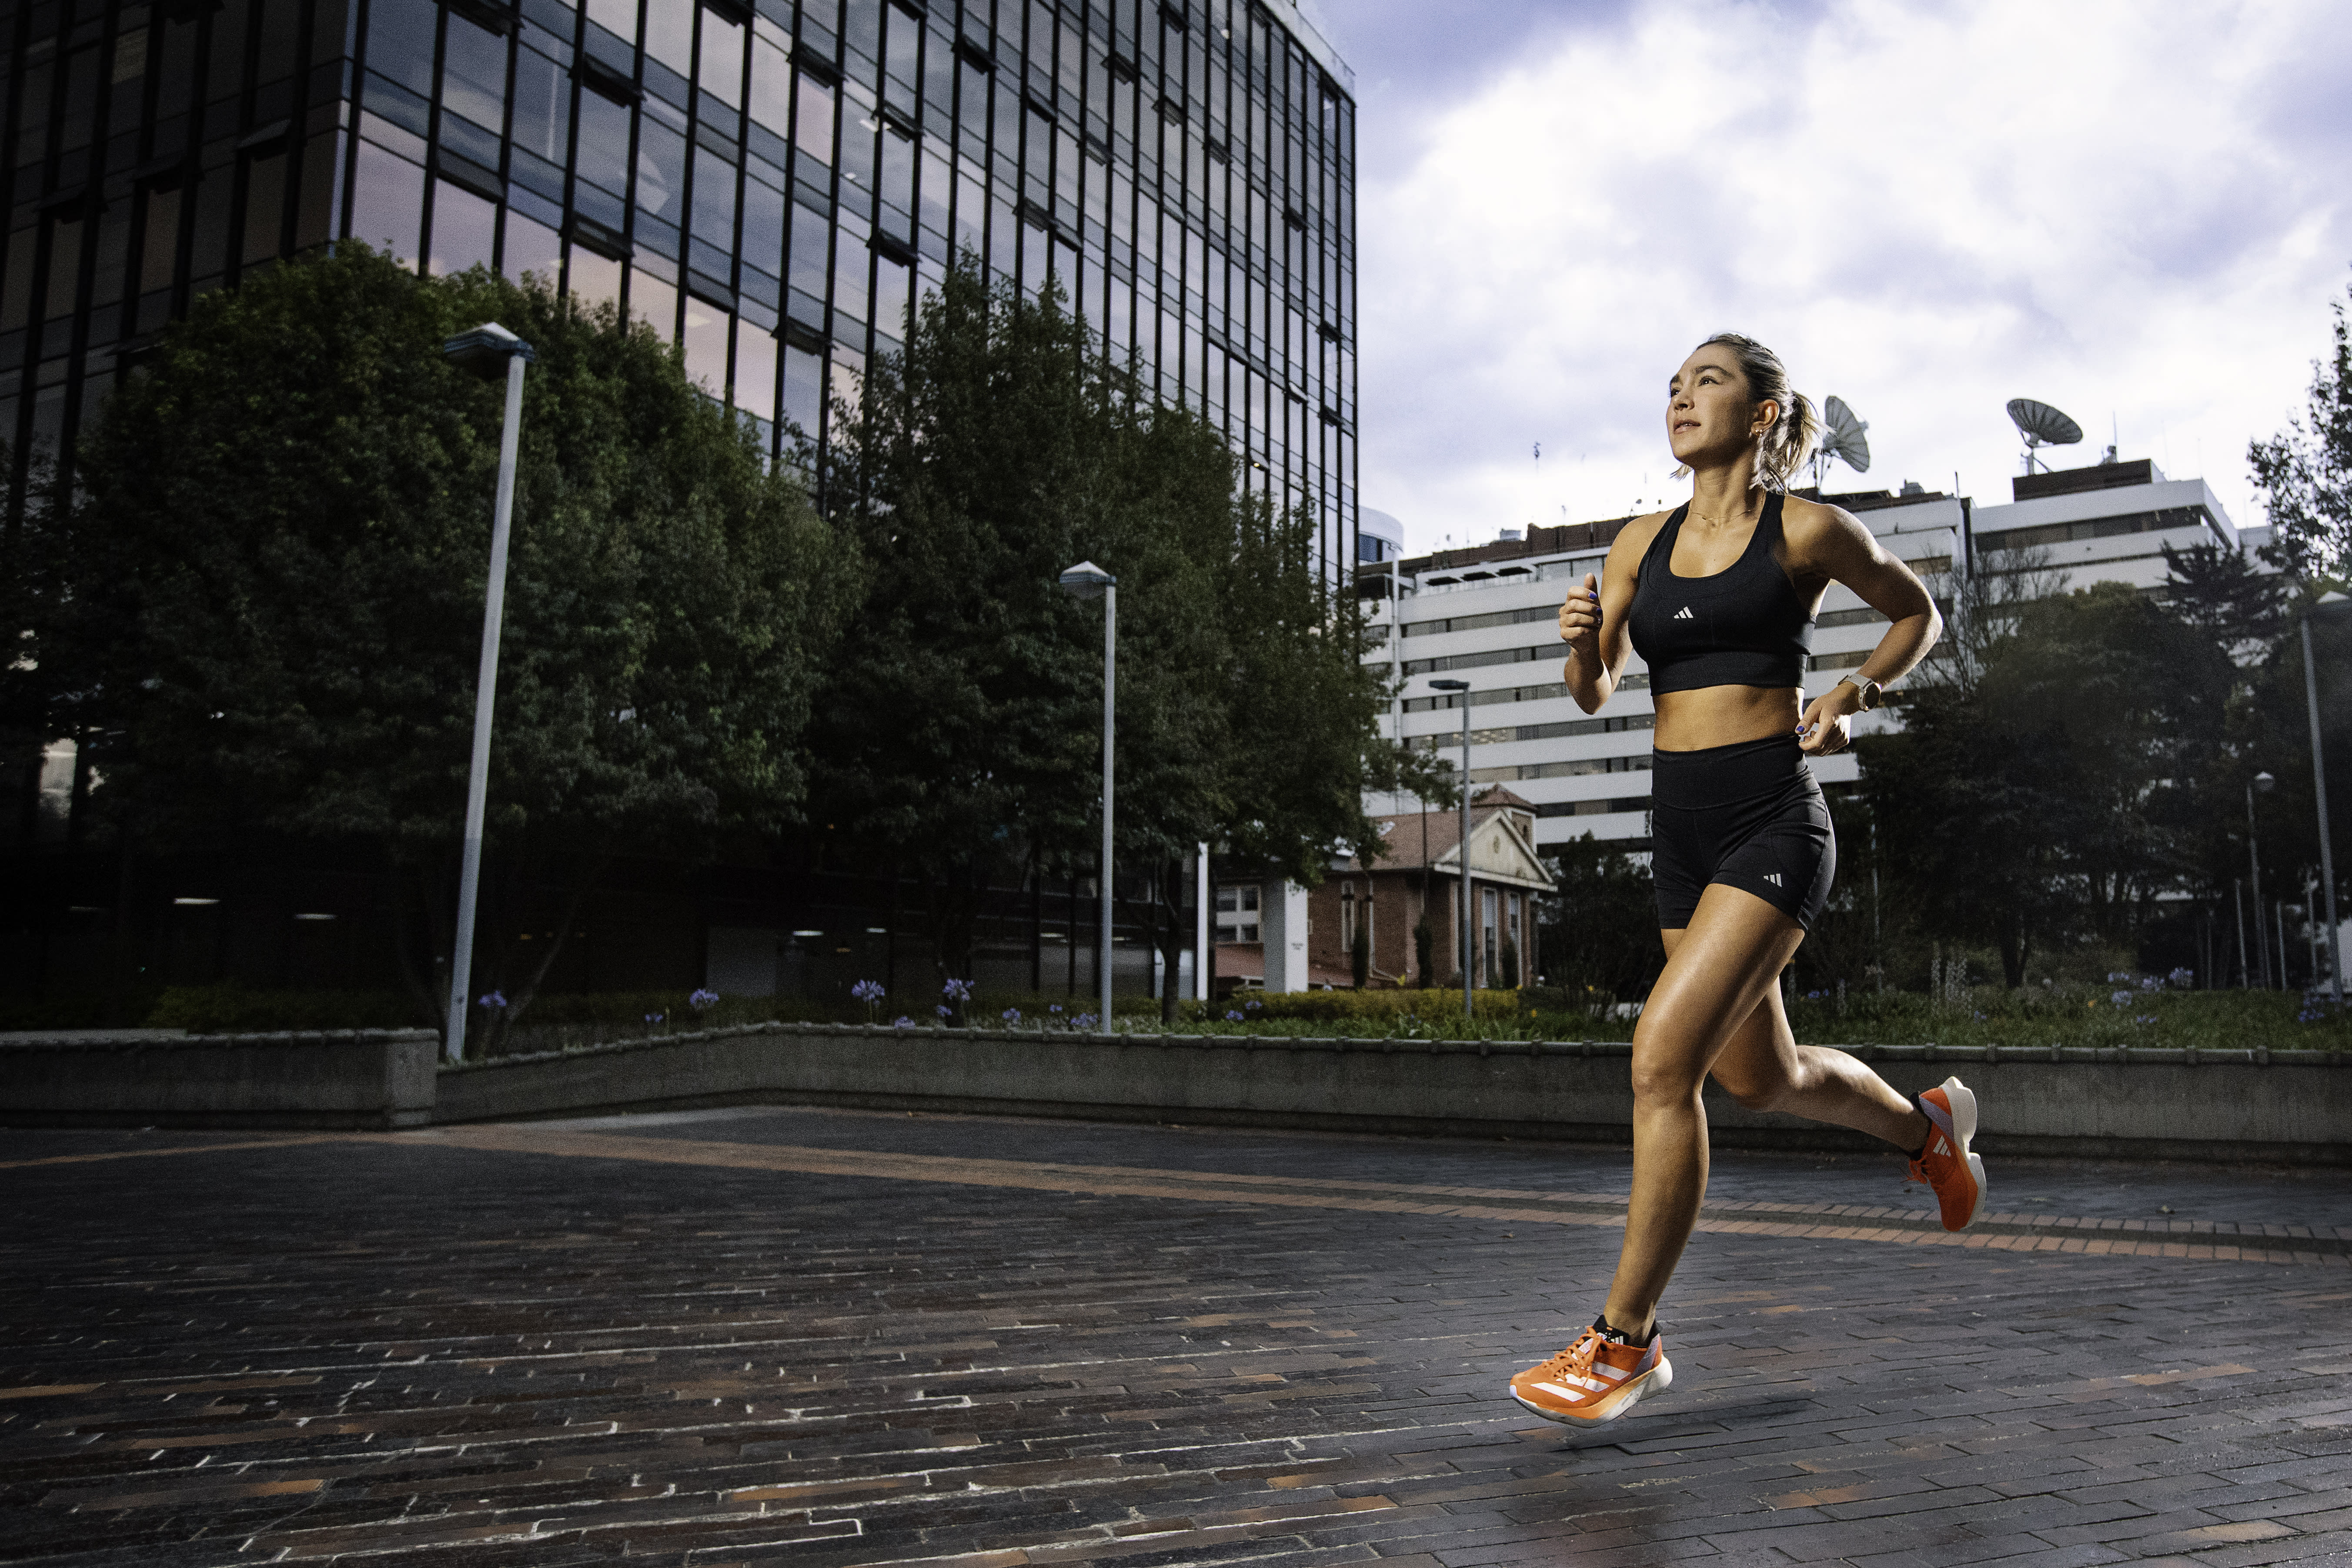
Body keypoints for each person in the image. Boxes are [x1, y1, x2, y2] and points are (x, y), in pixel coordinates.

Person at [1508, 333, 1985, 1428]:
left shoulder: (1809, 530)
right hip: (1677, 833)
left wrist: (1854, 691)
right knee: (1758, 1079)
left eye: (1706, 382)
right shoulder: (1641, 542)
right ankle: (1927, 1134)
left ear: (1763, 414)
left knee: (1658, 1061)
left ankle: (1624, 1342)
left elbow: (1918, 611)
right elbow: (1597, 690)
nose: (1680, 398)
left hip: (1773, 821)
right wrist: (1581, 646)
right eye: (1672, 386)